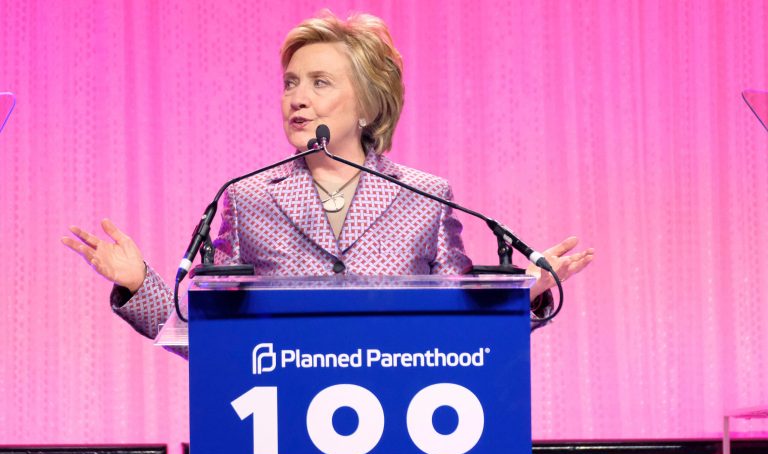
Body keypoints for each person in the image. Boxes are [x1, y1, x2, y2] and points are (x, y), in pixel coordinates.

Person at [62, 12, 594, 352]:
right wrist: (139, 284)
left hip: (402, 415)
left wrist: (527, 294)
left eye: (320, 82)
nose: (298, 97)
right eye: (291, 82)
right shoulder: (248, 196)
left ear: (367, 104)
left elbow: (457, 327)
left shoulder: (424, 195)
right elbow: (203, 331)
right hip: (283, 417)